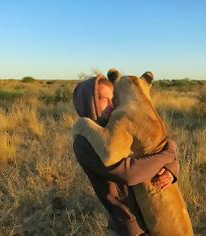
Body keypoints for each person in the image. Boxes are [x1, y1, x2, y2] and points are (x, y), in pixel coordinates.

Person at [72, 75, 179, 236]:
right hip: (131, 226)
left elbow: (155, 146)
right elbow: (130, 174)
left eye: (112, 98)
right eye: (103, 99)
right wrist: (168, 155)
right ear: (89, 100)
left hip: (156, 215)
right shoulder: (84, 141)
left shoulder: (115, 125)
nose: (111, 104)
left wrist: (172, 169)